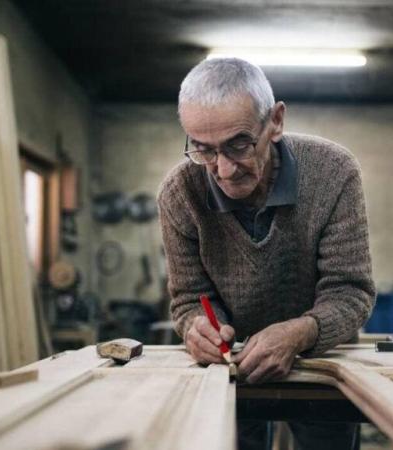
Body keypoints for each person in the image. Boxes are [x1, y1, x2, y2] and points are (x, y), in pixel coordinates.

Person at [157, 57, 375, 450]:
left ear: (275, 121)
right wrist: (197, 329)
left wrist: (300, 333)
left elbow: (351, 292)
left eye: (238, 145)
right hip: (230, 367)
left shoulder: (333, 172)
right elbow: (190, 298)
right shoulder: (180, 193)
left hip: (321, 360)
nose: (223, 170)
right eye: (204, 150)